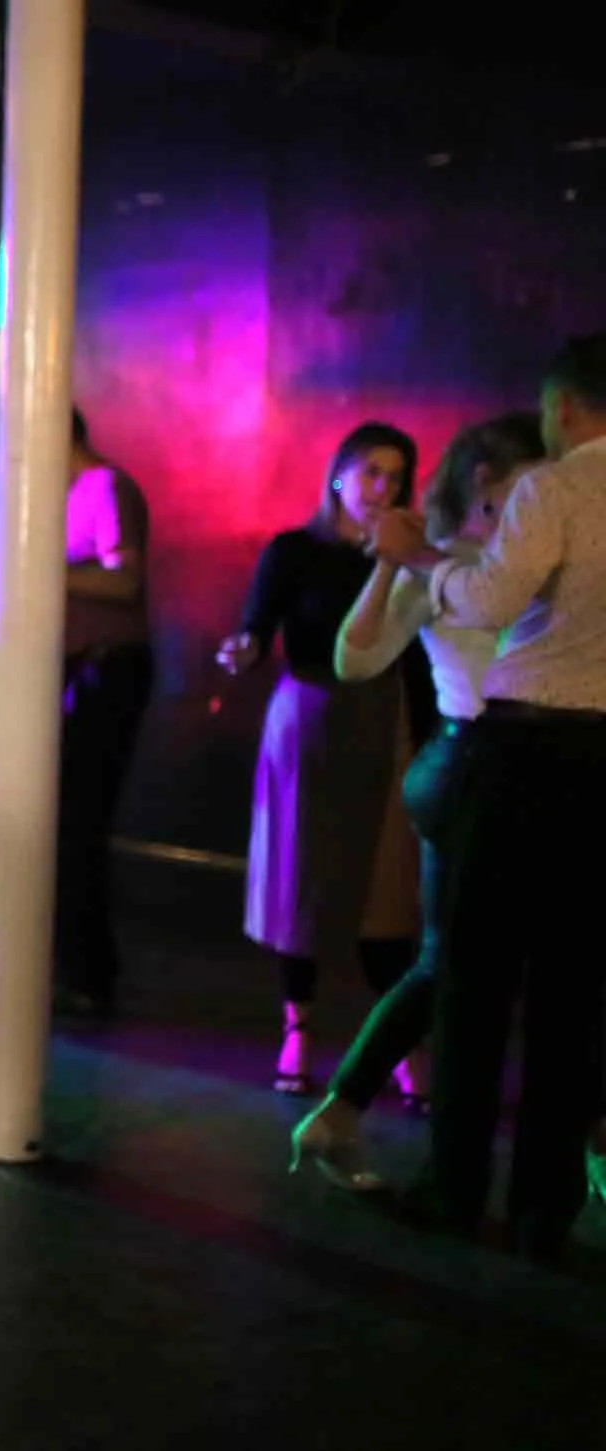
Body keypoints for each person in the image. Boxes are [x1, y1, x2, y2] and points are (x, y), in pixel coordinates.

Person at [373, 336, 606, 1264]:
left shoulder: (556, 486)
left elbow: (484, 599)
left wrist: (417, 553)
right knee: (574, 991)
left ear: (563, 405)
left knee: (474, 977)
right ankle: (545, 1211)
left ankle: (454, 1190)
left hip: (524, 752)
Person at [289, 414, 541, 1187]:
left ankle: (336, 1116)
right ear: (480, 487)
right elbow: (354, 657)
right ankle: (337, 1113)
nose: (536, 504)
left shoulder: (530, 561)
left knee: (514, 962)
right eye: (519, 490)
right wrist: (390, 564)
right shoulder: (455, 564)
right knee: (456, 962)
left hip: (521, 769)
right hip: (471, 767)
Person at [217, 422, 430, 1096]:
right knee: (299, 877)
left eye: (396, 477)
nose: (383, 487)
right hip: (309, 714)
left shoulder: (408, 559)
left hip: (385, 717)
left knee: (387, 884)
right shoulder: (293, 550)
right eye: (372, 471)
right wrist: (242, 649)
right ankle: (298, 1027)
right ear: (338, 472)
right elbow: (256, 625)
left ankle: (393, 1040)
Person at [53, 407, 154, 1021]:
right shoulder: (74, 491)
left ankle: (87, 978)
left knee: (80, 825)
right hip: (83, 669)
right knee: (72, 826)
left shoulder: (105, 486)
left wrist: (37, 567)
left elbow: (124, 580)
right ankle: (85, 970)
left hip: (107, 669)